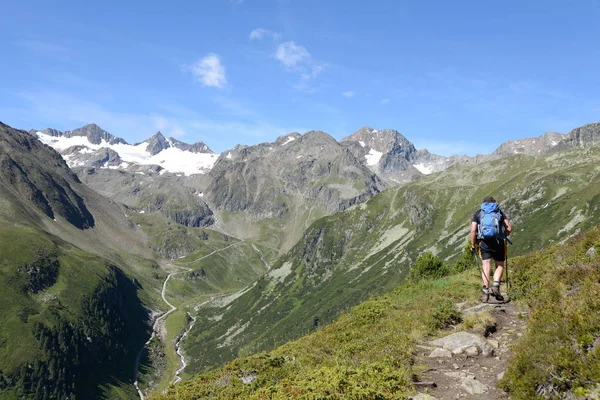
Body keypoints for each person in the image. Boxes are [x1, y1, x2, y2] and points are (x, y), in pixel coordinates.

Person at [470, 196, 512, 301]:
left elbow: (473, 230)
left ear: (484, 203)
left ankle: (485, 293)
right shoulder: (498, 212)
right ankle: (496, 285)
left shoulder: (479, 213)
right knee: (500, 264)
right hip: (498, 242)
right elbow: (509, 228)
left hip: (484, 243)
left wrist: (473, 244)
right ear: (494, 203)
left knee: (486, 266)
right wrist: (505, 234)